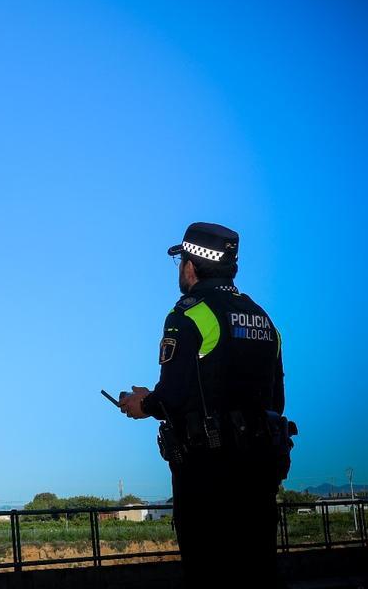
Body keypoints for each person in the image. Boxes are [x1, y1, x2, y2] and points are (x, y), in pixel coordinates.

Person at [119, 222, 287, 588]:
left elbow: (173, 396)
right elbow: (277, 400)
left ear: (190, 266)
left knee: (209, 573)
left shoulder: (189, 314)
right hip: (259, 473)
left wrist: (141, 403)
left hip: (208, 476)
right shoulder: (264, 320)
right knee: (259, 572)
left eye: (180, 262)